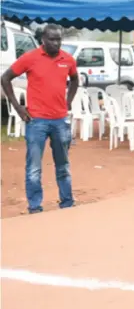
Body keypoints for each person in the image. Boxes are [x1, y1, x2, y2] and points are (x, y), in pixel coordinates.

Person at [1, 24, 79, 214]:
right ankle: (35, 207)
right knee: (34, 167)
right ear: (43, 40)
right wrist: (18, 108)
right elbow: (5, 78)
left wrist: (68, 101)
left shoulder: (67, 59)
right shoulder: (30, 58)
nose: (56, 43)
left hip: (60, 121)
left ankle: (67, 203)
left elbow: (75, 79)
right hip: (36, 122)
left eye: (59, 39)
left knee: (63, 165)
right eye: (52, 39)